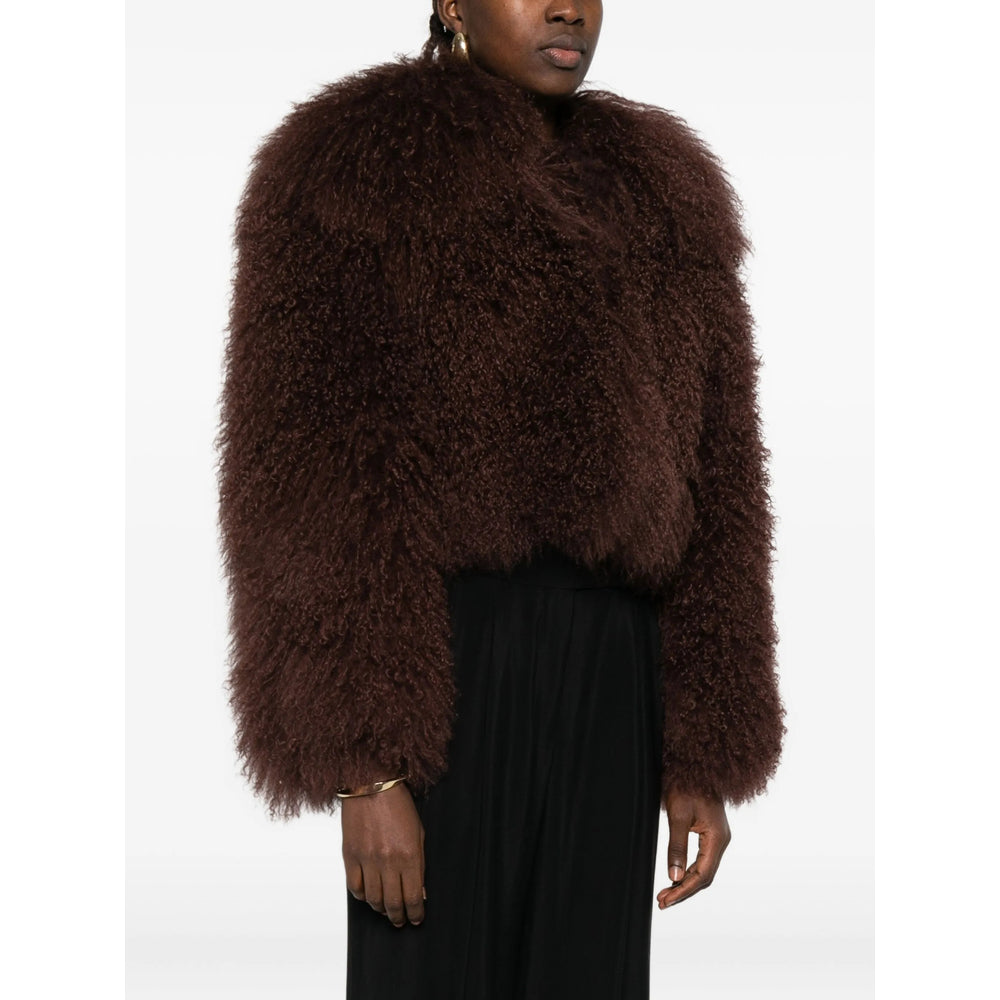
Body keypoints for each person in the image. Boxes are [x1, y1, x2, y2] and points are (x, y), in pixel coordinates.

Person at [217, 1, 786, 996]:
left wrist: (700, 747)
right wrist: (366, 763)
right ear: (450, 2)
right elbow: (303, 485)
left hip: (616, 673)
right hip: (437, 678)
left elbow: (721, 477)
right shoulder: (351, 171)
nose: (569, 7)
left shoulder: (663, 192)